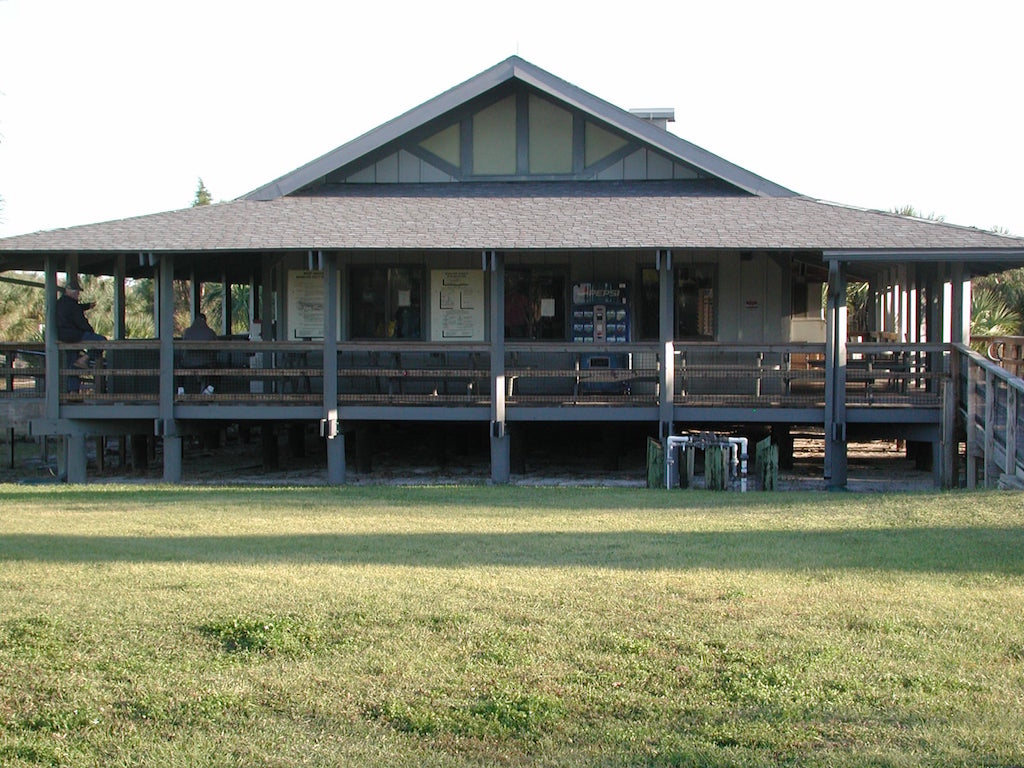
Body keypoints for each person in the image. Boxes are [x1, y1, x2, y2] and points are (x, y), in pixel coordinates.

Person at [56, 280, 106, 377]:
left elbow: (74, 308)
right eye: (76, 292)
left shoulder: (61, 303)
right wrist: (91, 331)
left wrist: (87, 306)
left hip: (62, 336)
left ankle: (72, 391)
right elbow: (80, 320)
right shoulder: (72, 305)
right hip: (75, 335)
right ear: (69, 291)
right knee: (101, 341)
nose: (78, 294)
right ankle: (84, 359)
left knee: (72, 364)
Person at [182, 313, 218, 394]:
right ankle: (209, 389)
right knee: (218, 369)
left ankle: (180, 390)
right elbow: (217, 347)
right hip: (206, 364)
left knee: (179, 368)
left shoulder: (187, 332)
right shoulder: (210, 332)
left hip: (187, 364)